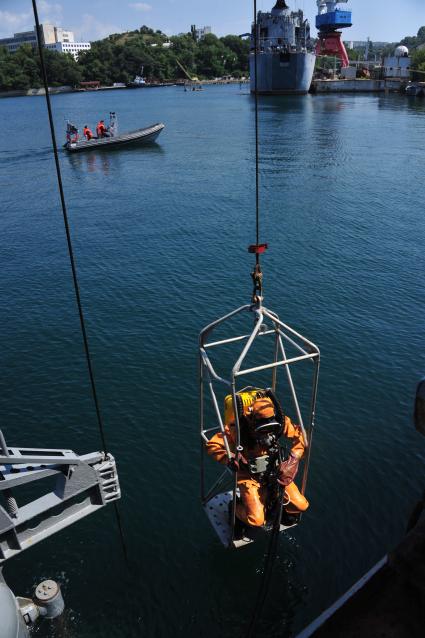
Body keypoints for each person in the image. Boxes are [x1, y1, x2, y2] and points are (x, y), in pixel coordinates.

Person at [206, 390, 309, 536]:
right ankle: (235, 509)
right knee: (256, 520)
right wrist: (231, 459)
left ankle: (283, 511)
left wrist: (293, 460)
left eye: (270, 428)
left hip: (276, 471)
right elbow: (213, 445)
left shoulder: (280, 422)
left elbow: (301, 438)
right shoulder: (238, 428)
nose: (267, 434)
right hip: (249, 475)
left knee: (301, 505)